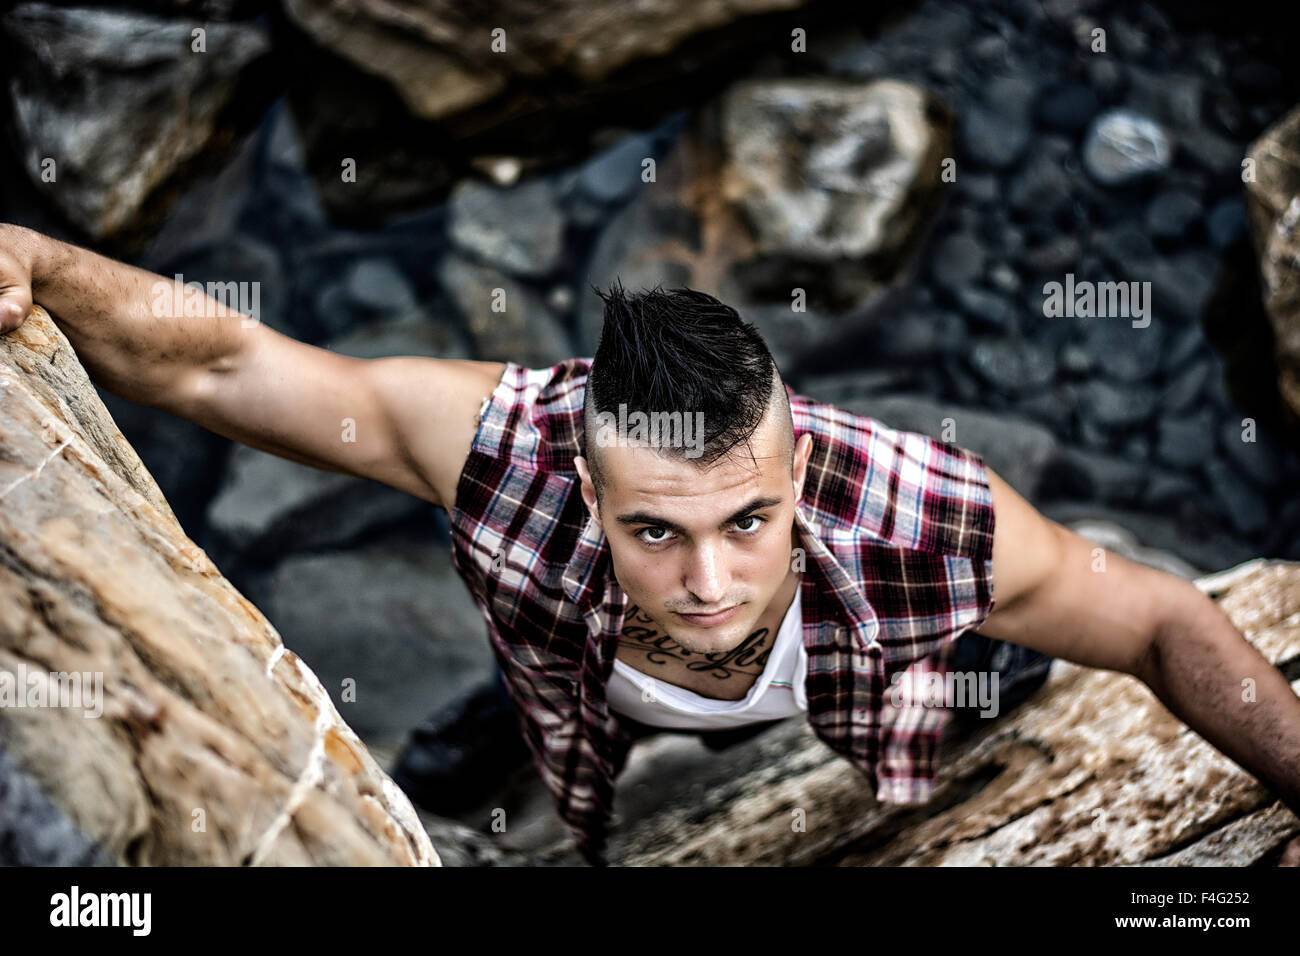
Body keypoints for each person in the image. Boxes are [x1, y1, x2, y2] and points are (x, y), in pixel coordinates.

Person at [2, 225, 1298, 867]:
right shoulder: (497, 447)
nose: (714, 583)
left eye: (749, 519)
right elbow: (230, 364)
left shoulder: (920, 519)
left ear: (799, 470)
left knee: (988, 670)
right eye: (655, 531)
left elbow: (1162, 620)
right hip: (565, 674)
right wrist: (46, 266)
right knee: (472, 765)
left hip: (869, 670)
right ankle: (509, 751)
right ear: (583, 474)